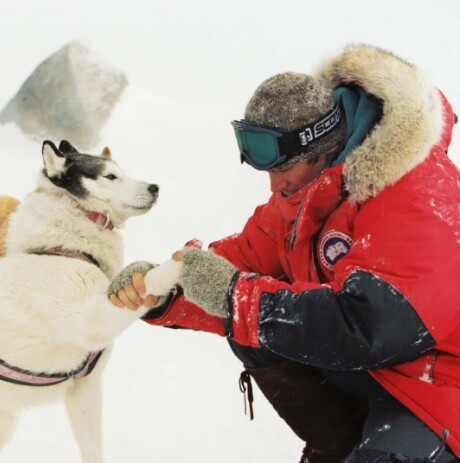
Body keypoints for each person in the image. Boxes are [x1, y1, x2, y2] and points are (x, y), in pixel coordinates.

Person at [108, 44, 460, 463]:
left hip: (436, 385)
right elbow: (245, 258)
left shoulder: (417, 191)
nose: (274, 187)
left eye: (281, 170)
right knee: (252, 322)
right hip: (379, 373)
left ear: (324, 148)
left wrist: (237, 298)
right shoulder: (307, 189)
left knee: (254, 311)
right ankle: (339, 445)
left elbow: (375, 326)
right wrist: (169, 288)